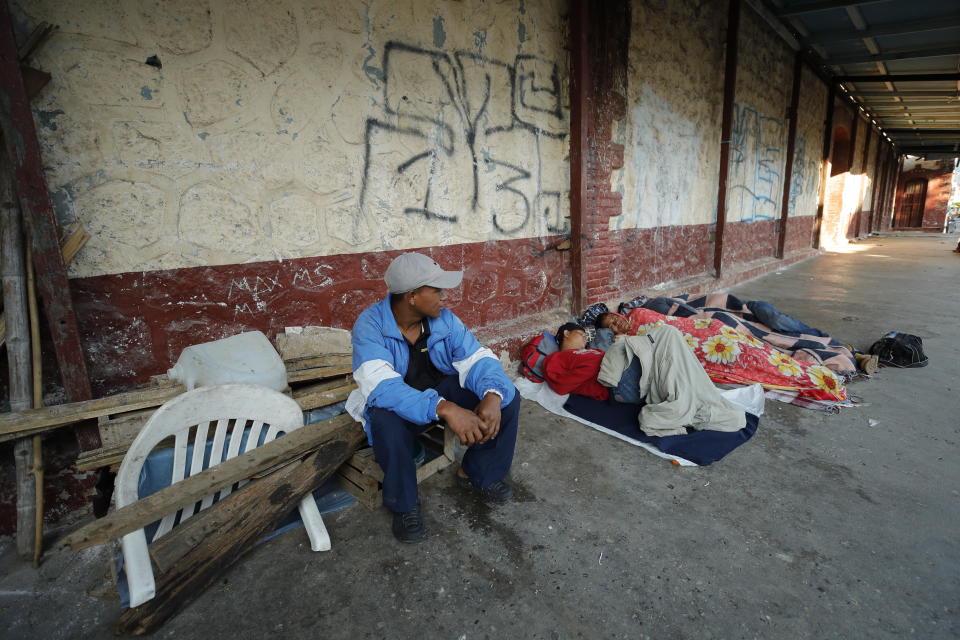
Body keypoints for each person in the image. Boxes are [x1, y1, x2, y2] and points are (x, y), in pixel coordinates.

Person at [350, 252, 520, 543]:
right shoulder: (370, 326)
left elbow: (476, 358)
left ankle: (478, 474)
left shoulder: (444, 320)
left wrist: (492, 394)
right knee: (385, 423)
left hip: (439, 391)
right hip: (399, 401)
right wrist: (445, 408)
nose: (445, 296)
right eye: (437, 290)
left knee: (508, 397)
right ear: (412, 296)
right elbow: (382, 387)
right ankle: (404, 505)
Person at [540, 323, 610, 402]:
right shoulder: (555, 357)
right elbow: (560, 386)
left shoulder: (594, 350)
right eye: (581, 334)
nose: (585, 337)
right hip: (613, 382)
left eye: (586, 335)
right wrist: (598, 364)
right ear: (567, 333)